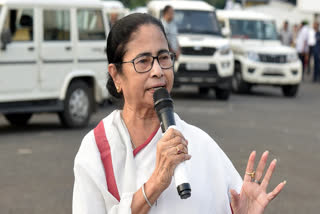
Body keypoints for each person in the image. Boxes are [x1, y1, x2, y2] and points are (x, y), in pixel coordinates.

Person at [72, 13, 286, 214]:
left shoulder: (200, 144)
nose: (158, 70)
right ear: (116, 75)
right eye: (143, 61)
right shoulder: (98, 149)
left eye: (163, 57)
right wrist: (156, 182)